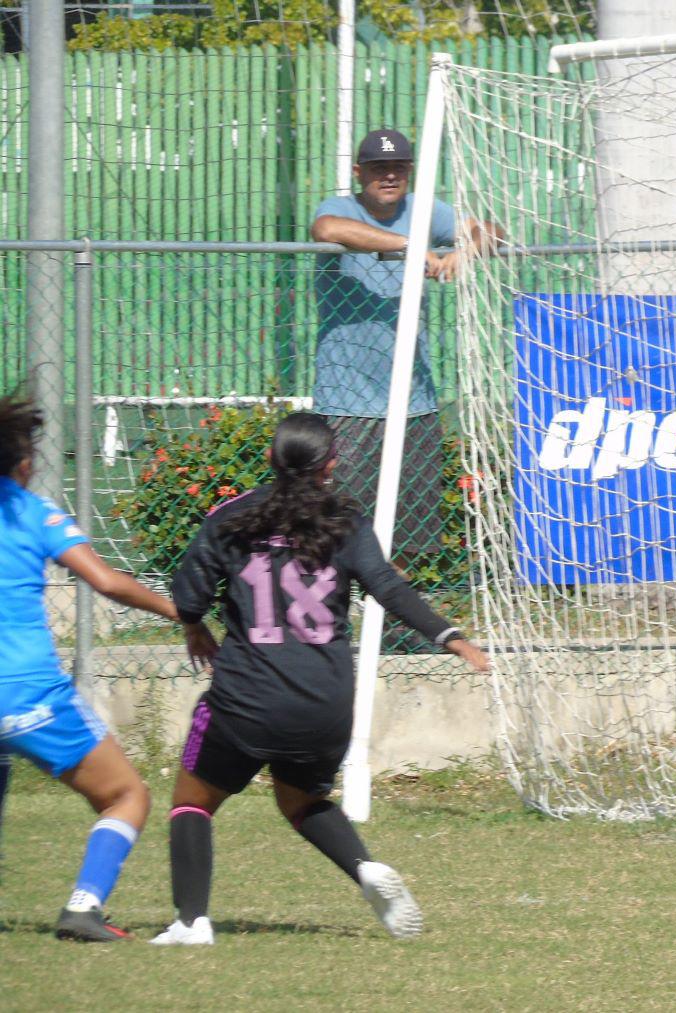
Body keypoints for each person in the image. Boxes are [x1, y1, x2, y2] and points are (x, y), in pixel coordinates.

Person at [150, 413, 490, 945]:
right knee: (301, 800)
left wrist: (195, 627)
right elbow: (388, 588)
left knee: (192, 802)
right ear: (331, 463)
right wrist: (451, 636)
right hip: (326, 702)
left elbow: (188, 597)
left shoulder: (231, 518)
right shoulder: (347, 523)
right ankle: (366, 870)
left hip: (247, 698)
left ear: (270, 459)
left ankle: (191, 922)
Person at [0, 391, 205, 941]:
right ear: (24, 464)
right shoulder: (34, 513)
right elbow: (108, 581)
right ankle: (84, 909)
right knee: (126, 795)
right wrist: (181, 612)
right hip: (28, 695)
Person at [308, 128, 499, 567]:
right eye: (379, 168)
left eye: (398, 167)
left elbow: (492, 230)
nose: (389, 176)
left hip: (413, 400)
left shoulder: (424, 208)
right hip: (347, 401)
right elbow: (327, 229)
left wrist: (464, 252)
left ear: (411, 171)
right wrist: (412, 247)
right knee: (335, 534)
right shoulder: (340, 208)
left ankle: (396, 633)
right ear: (359, 173)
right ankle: (331, 626)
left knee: (406, 537)